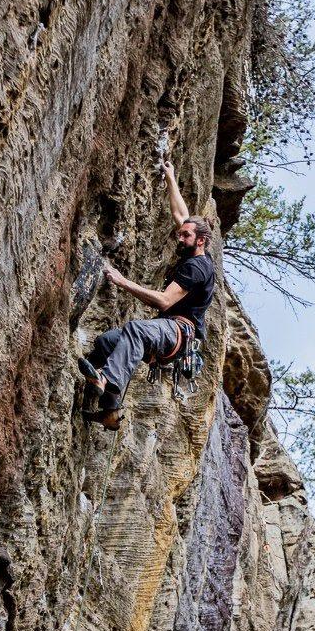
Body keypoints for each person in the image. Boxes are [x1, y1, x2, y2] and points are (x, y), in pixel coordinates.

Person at [78, 161, 215, 430]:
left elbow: (164, 301)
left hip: (177, 331)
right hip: (171, 330)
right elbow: (182, 215)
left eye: (185, 236)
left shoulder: (196, 267)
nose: (179, 238)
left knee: (136, 330)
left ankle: (107, 379)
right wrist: (171, 177)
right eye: (180, 233)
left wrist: (122, 281)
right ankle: (110, 410)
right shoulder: (198, 251)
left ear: (200, 240)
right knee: (107, 342)